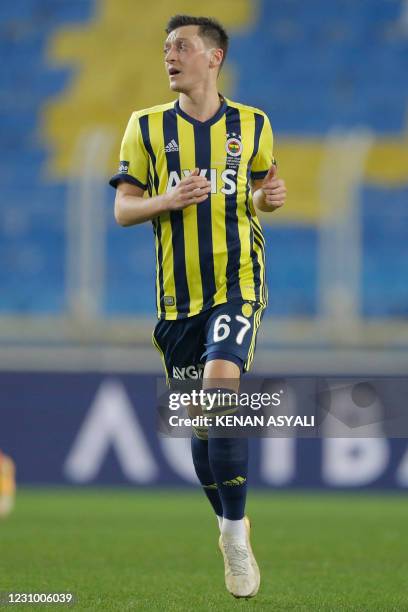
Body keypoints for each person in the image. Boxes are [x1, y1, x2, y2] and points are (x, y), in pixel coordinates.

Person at [110, 14, 287, 598]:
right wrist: (169, 198)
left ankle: (236, 536)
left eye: (180, 46)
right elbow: (124, 210)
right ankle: (225, 522)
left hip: (239, 282)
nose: (169, 55)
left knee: (220, 391)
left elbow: (261, 191)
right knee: (202, 423)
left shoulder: (253, 124)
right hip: (177, 299)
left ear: (213, 58)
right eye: (164, 47)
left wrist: (269, 197)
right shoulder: (145, 125)